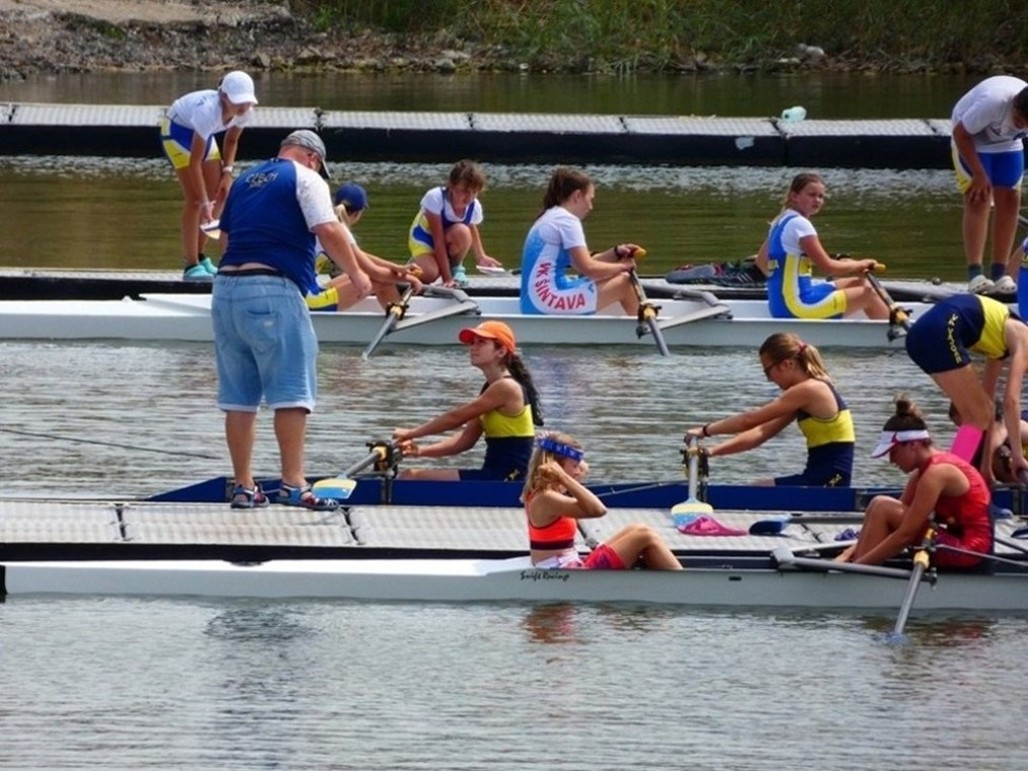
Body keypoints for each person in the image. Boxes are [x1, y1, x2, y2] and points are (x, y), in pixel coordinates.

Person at [213, 129, 372, 510]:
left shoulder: (246, 179)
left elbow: (225, 241)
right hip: (273, 289)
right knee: (293, 394)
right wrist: (358, 275)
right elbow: (327, 229)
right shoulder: (306, 177)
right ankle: (294, 484)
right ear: (312, 158)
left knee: (239, 399)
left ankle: (243, 487)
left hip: (225, 290)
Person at [835, 397, 992, 569]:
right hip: (953, 540)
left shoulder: (936, 473)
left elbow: (905, 535)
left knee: (881, 505)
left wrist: (857, 566)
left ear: (913, 445)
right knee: (878, 505)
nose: (891, 461)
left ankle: (859, 572)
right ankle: (858, 566)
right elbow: (895, 522)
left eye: (893, 452)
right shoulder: (922, 473)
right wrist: (846, 554)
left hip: (970, 551)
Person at [684, 332, 854, 487]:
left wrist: (704, 431)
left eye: (768, 372)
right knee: (753, 489)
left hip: (829, 481)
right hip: (824, 478)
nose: (769, 380)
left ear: (787, 364)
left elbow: (749, 420)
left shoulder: (809, 389)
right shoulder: (807, 394)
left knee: (752, 492)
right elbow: (761, 432)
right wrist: (711, 452)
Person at [392, 321, 542, 481]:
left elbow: (455, 418)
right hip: (494, 476)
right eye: (472, 343)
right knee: (409, 475)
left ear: (501, 351)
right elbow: (465, 440)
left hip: (507, 479)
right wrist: (419, 451)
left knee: (409, 477)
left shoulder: (506, 387)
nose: (473, 348)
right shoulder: (489, 388)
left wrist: (410, 433)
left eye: (481, 342)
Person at [904, 293, 1028, 480]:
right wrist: (1018, 457)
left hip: (917, 337)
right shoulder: (1024, 341)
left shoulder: (1001, 342)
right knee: (977, 414)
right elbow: (1011, 402)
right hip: (942, 331)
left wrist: (986, 468)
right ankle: (948, 480)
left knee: (979, 412)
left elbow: (989, 408)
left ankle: (952, 477)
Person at [521, 432, 683, 570]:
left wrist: (565, 468)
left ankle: (671, 581)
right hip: (561, 574)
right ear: (556, 467)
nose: (578, 472)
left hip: (569, 566)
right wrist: (564, 477)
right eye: (574, 466)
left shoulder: (542, 490)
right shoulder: (547, 498)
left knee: (637, 528)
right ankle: (684, 585)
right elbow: (599, 510)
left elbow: (584, 469)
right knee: (644, 534)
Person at [160, 70, 259, 280]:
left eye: (247, 102)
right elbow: (195, 163)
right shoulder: (207, 112)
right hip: (177, 131)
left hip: (203, 133)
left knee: (220, 194)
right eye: (238, 102)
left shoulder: (246, 111)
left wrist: (228, 172)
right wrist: (204, 202)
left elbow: (231, 140)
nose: (243, 107)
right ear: (223, 97)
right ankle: (191, 265)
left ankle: (200, 255)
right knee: (196, 200)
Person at [755, 172, 888, 320]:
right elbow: (829, 268)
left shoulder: (779, 221)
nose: (817, 200)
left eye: (821, 196)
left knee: (857, 282)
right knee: (868, 294)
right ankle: (894, 332)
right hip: (797, 306)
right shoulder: (800, 224)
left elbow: (761, 262)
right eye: (811, 195)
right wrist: (860, 264)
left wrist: (784, 285)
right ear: (794, 196)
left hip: (779, 305)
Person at [519, 166, 642, 316]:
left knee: (615, 277)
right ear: (577, 196)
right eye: (590, 199)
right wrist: (624, 267)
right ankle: (644, 328)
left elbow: (582, 264)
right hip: (544, 301)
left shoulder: (551, 215)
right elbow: (588, 268)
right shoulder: (567, 220)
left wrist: (615, 252)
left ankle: (639, 320)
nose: (591, 207)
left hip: (532, 302)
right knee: (624, 283)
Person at [950, 75, 1028, 293]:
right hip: (971, 139)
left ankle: (1000, 274)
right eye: (1019, 120)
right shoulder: (994, 102)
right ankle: (975, 275)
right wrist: (978, 173)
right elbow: (960, 134)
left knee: (1011, 199)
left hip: (1008, 144)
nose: (1021, 126)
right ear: (1014, 106)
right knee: (979, 197)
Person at [306, 182, 421, 312]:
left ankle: (395, 313)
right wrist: (409, 279)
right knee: (382, 281)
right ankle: (400, 320)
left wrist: (397, 268)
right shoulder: (340, 230)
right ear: (358, 213)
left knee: (369, 273)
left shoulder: (324, 224)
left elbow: (361, 257)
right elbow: (376, 272)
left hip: (305, 291)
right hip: (310, 301)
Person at [408, 159, 502, 287]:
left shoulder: (474, 207)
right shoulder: (435, 198)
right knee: (431, 274)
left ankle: (456, 268)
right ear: (451, 186)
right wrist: (447, 279)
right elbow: (438, 241)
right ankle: (411, 267)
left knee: (462, 232)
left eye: (474, 192)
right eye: (464, 191)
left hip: (446, 238)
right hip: (424, 239)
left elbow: (471, 227)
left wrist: (481, 256)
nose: (469, 198)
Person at [948, 400, 1028, 486]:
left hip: (1022, 464)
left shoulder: (1004, 423)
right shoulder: (979, 432)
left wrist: (986, 469)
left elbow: (994, 443)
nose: (964, 433)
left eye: (963, 425)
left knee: (1000, 453)